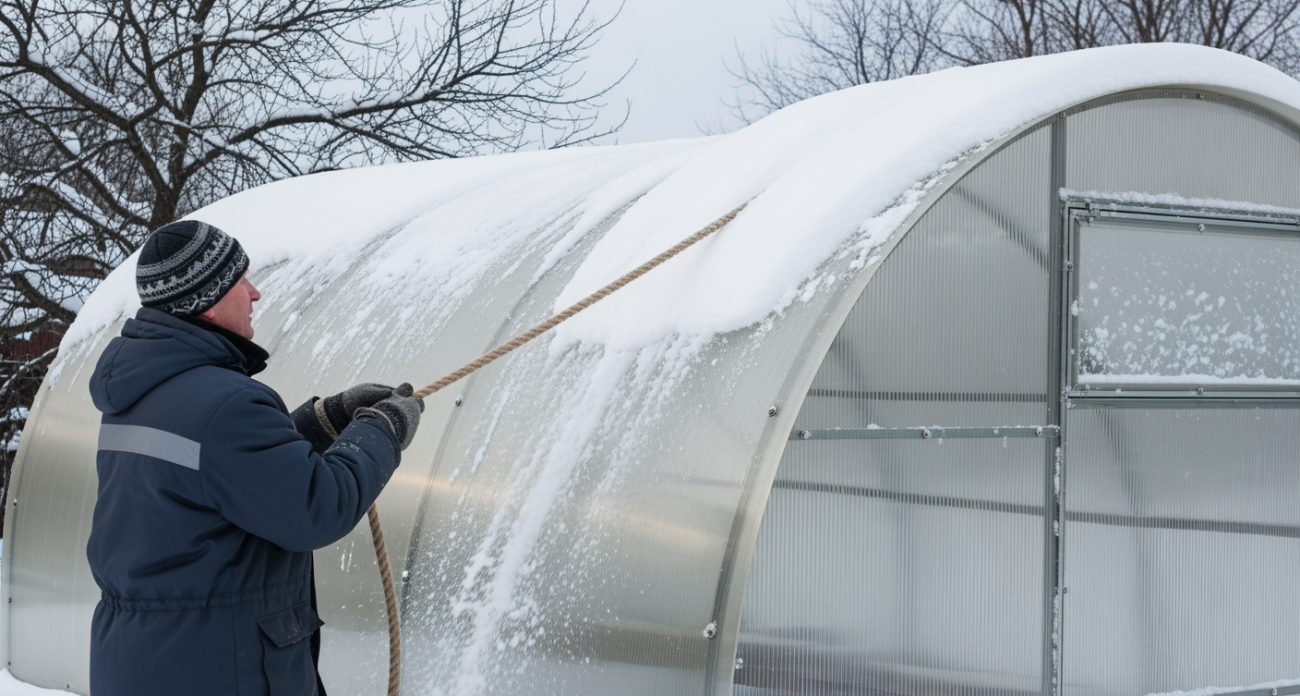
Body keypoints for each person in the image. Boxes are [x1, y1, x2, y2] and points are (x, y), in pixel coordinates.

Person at [85, 220, 423, 696]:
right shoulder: (227, 404)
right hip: (222, 668)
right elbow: (317, 507)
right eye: (240, 280)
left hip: (147, 661)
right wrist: (382, 430)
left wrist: (322, 421)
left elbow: (223, 469)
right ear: (206, 301)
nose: (256, 293)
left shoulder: (138, 394)